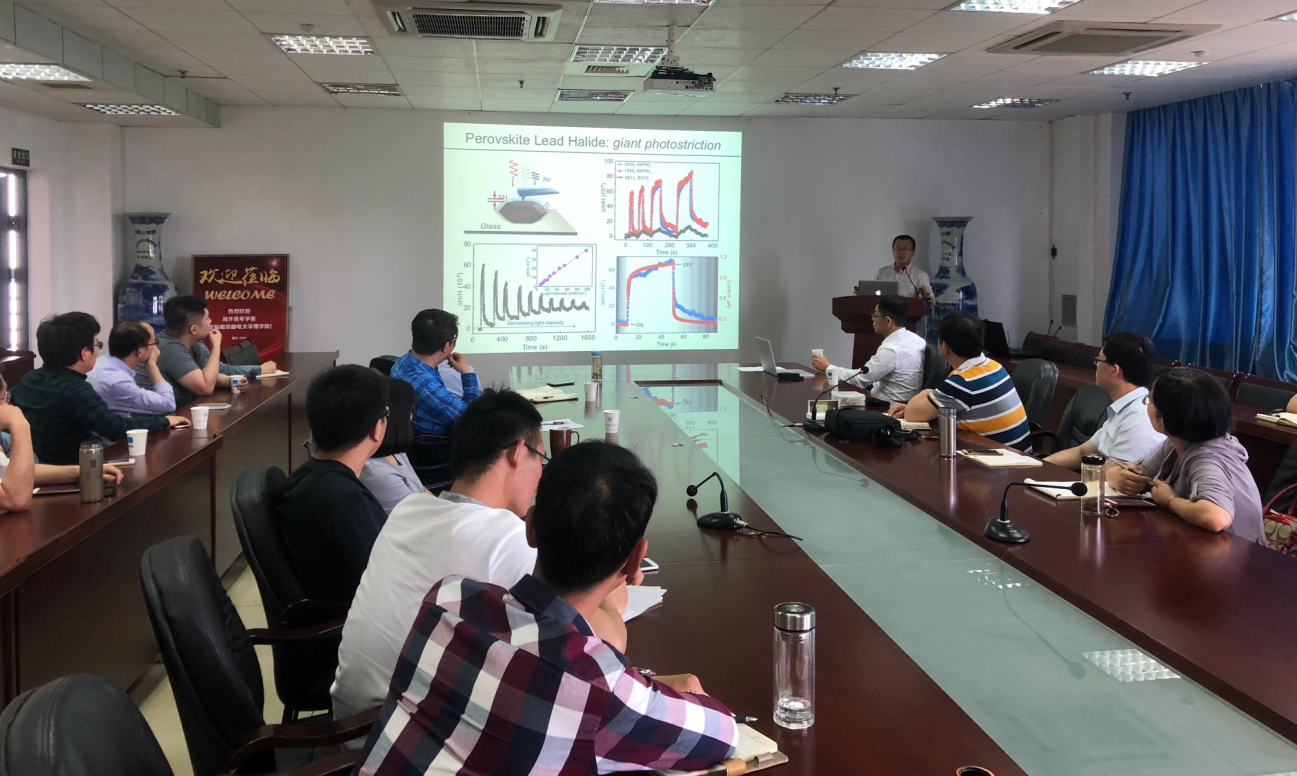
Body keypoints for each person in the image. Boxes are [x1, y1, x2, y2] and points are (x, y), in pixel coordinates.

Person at [354, 440, 739, 774]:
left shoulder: (449, 598)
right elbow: (721, 735)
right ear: (635, 560)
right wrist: (660, 693)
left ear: (531, 526)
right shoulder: (599, 690)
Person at [335, 389, 636, 722]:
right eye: (541, 459)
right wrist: (611, 590)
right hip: (405, 731)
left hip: (349, 717)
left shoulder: (409, 509)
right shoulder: (507, 538)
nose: (540, 476)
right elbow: (600, 643)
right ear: (518, 453)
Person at [275, 365, 389, 605]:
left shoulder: (304, 478)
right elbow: (388, 580)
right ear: (377, 429)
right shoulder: (345, 499)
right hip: (353, 619)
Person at [1108, 369, 1264, 543]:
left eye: (1150, 401)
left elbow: (1216, 517)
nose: (1147, 407)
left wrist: (1169, 500)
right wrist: (1118, 477)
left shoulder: (1208, 459)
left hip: (1238, 554)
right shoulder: (1175, 443)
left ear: (1165, 418)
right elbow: (1137, 473)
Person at [11, 313, 184, 465]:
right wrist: (165, 421)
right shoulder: (75, 389)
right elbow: (115, 427)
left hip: (36, 464)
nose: (98, 352)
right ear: (84, 353)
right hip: (74, 467)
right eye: (97, 346)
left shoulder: (29, 379)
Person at [889, 311, 1032, 452]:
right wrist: (929, 401)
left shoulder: (963, 382)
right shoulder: (994, 366)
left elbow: (912, 415)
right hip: (1020, 456)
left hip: (1001, 461)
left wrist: (927, 393)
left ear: (944, 347)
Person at [1044, 332, 1165, 470]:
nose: (1095, 365)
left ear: (1114, 370)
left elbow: (1113, 476)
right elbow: (1081, 452)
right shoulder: (1124, 408)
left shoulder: (1138, 418)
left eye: (1098, 361)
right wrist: (1039, 465)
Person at [140, 295, 275, 406]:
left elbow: (218, 370)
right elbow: (205, 387)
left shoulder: (193, 342)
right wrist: (216, 346)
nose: (211, 321)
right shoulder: (170, 349)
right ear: (194, 329)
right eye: (207, 318)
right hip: (156, 419)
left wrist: (230, 381)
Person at [810, 294, 926, 403]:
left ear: (888, 321)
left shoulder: (892, 349)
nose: (872, 319)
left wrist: (828, 367)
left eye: (875, 315)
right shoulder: (917, 340)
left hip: (887, 405)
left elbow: (861, 379)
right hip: (906, 403)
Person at [390, 309, 481, 436]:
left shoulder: (403, 362)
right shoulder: (427, 386)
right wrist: (466, 373)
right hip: (445, 443)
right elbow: (473, 420)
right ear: (446, 347)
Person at [357, 377, 426, 514]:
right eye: (412, 410)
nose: (412, 416)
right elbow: (416, 516)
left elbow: (421, 490)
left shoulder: (395, 451)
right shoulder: (377, 473)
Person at [88, 321, 176, 417]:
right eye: (154, 343)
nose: (156, 349)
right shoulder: (118, 382)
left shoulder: (100, 363)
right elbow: (168, 404)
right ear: (140, 352)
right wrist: (152, 367)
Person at [874, 234, 934, 303]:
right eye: (898, 248)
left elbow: (931, 303)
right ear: (893, 251)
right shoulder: (881, 272)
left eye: (905, 249)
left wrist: (926, 297)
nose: (901, 252)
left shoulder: (920, 275)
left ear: (913, 253)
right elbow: (873, 295)